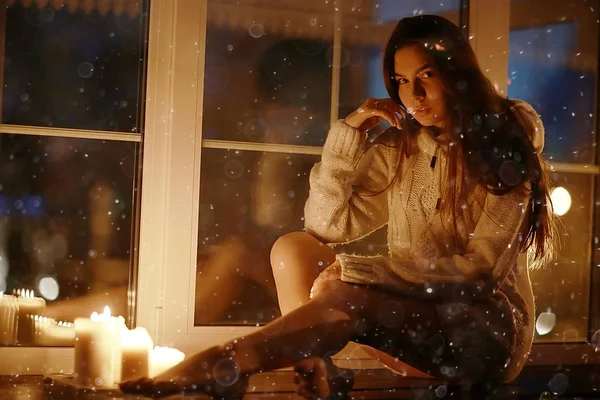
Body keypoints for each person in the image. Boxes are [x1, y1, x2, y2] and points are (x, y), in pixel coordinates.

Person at [120, 14, 557, 399]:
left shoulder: (504, 150)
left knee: (345, 290)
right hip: (411, 325)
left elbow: (480, 273)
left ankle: (227, 361)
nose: (414, 95)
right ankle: (311, 365)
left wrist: (364, 273)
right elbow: (326, 226)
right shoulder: (400, 150)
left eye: (427, 75)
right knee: (293, 249)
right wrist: (348, 135)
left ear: (456, 74)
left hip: (481, 336)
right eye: (402, 81)